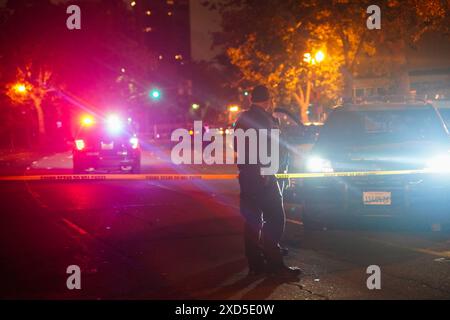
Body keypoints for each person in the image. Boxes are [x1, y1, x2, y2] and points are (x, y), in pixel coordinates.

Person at [235, 85, 301, 278]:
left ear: (251, 99)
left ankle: (255, 264)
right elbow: (271, 148)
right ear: (269, 100)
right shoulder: (266, 120)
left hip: (247, 176)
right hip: (264, 177)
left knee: (252, 221)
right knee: (276, 217)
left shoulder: (241, 119)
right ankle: (274, 263)